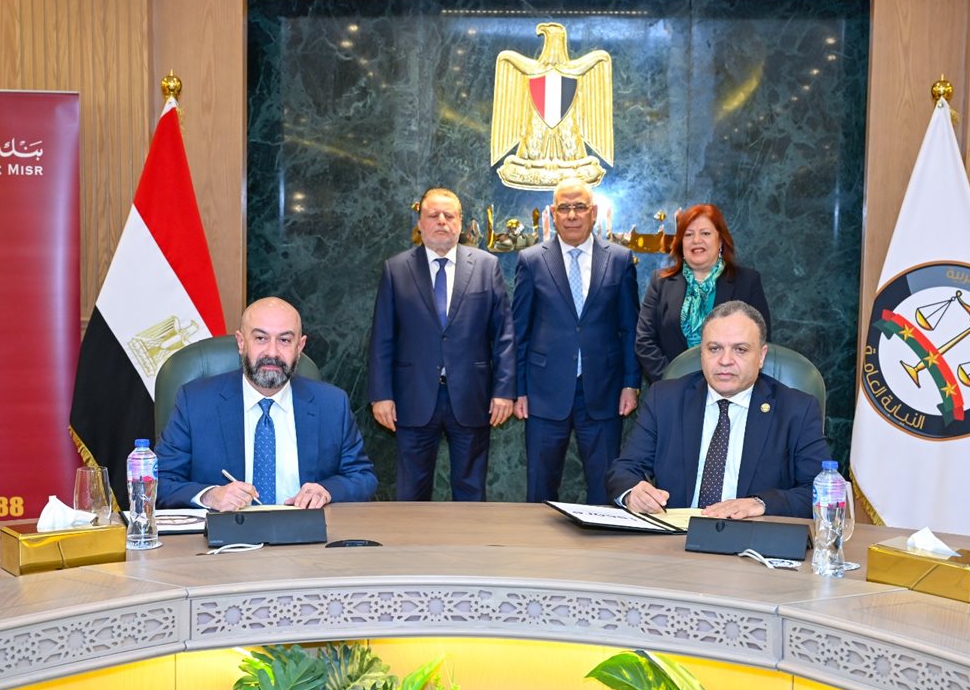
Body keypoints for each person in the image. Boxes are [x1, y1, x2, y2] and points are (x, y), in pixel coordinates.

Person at [607, 300, 827, 518]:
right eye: (714, 349)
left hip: (752, 534)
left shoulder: (797, 409)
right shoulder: (665, 399)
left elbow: (820, 491)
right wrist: (632, 493)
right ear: (701, 353)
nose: (725, 360)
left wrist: (761, 504)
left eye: (740, 349)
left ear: (761, 356)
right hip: (676, 534)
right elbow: (624, 469)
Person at [158, 297, 377, 510]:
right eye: (261, 338)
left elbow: (362, 477)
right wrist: (210, 496)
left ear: (299, 347)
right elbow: (159, 480)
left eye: (285, 340)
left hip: (305, 531)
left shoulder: (332, 404)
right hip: (226, 532)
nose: (272, 352)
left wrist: (327, 490)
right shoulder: (195, 402)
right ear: (241, 342)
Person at [368, 187, 516, 501]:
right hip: (413, 396)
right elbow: (382, 337)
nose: (441, 221)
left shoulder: (486, 266)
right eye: (433, 215)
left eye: (449, 215)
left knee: (471, 491)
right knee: (412, 493)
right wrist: (381, 395)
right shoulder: (396, 269)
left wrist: (504, 391)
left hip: (472, 395)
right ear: (419, 223)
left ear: (460, 223)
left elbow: (504, 335)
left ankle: (469, 537)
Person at [512, 178, 640, 505]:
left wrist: (630, 384)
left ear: (593, 212)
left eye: (579, 207)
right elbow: (519, 331)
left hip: (604, 390)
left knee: (605, 488)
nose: (572, 215)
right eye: (564, 208)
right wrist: (519, 389)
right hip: (543, 391)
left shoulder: (620, 259)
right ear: (552, 213)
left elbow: (630, 328)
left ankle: (602, 540)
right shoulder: (531, 260)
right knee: (540, 488)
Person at [635, 204, 771, 383]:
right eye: (688, 234)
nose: (696, 240)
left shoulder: (747, 282)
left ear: (720, 241)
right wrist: (672, 383)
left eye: (705, 233)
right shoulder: (661, 282)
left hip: (732, 386)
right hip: (673, 388)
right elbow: (644, 341)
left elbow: (759, 339)